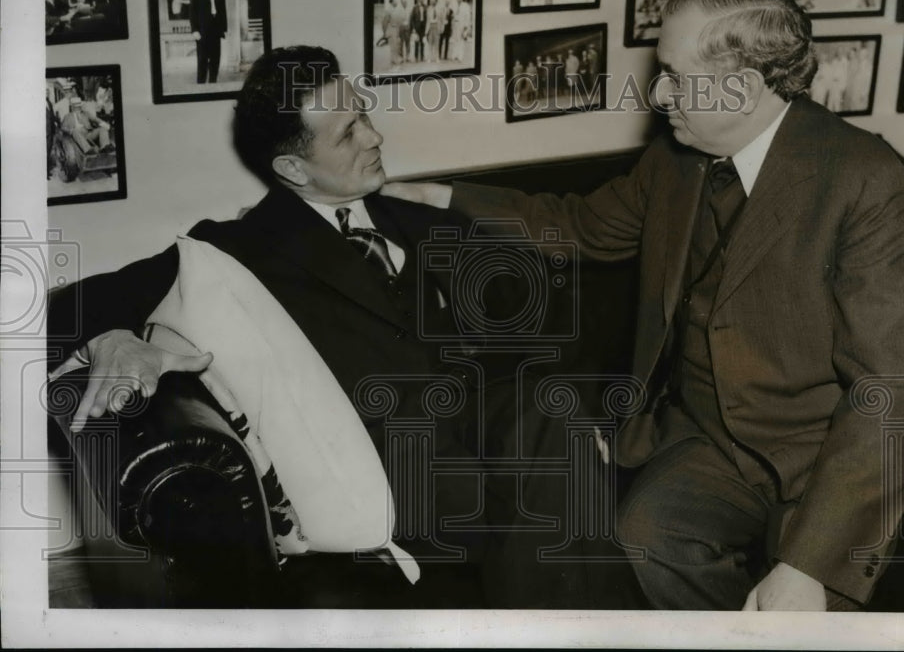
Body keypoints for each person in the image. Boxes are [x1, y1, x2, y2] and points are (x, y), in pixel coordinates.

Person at [383, 0, 904, 611]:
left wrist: (808, 566)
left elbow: (897, 389)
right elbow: (581, 225)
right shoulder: (675, 159)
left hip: (830, 461)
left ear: (743, 87)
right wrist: (447, 197)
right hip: (709, 441)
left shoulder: (862, 180)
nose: (657, 93)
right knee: (645, 533)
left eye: (674, 76)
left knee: (802, 608)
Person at [47, 45, 643, 610]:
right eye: (349, 132)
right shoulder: (235, 250)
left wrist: (584, 409)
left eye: (364, 116)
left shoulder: (410, 210)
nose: (376, 137)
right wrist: (115, 338)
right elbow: (60, 308)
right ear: (291, 167)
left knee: (555, 431)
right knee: (557, 501)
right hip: (403, 469)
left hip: (495, 431)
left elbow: (542, 321)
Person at [189, 0, 228, 84]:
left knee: (215, 61)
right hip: (202, 33)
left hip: (215, 32)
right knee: (202, 61)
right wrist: (194, 30)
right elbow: (192, 13)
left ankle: (213, 85)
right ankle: (200, 87)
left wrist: (223, 29)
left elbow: (223, 12)